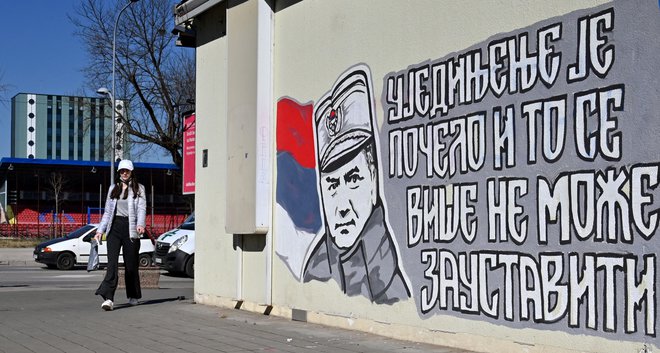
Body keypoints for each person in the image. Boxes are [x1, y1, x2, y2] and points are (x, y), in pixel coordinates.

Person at [302, 66, 411, 304]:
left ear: (373, 180)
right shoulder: (315, 268)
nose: (342, 207)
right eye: (331, 185)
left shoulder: (387, 284)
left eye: (352, 180)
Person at [94, 159, 147, 311]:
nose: (124, 173)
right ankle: (109, 298)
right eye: (121, 171)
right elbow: (107, 212)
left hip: (131, 229)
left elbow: (142, 209)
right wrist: (100, 230)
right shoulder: (113, 189)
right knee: (112, 264)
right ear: (119, 173)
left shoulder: (139, 189)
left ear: (131, 172)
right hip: (114, 229)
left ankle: (133, 295)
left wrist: (140, 224)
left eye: (127, 171)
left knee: (131, 265)